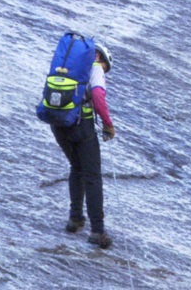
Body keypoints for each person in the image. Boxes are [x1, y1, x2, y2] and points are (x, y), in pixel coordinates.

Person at [49, 43, 115, 249]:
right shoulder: (94, 67)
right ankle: (97, 231)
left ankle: (75, 219)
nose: (103, 71)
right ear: (100, 58)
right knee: (93, 176)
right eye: (105, 67)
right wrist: (107, 124)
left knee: (76, 168)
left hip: (57, 122)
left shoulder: (66, 66)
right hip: (81, 126)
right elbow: (97, 96)